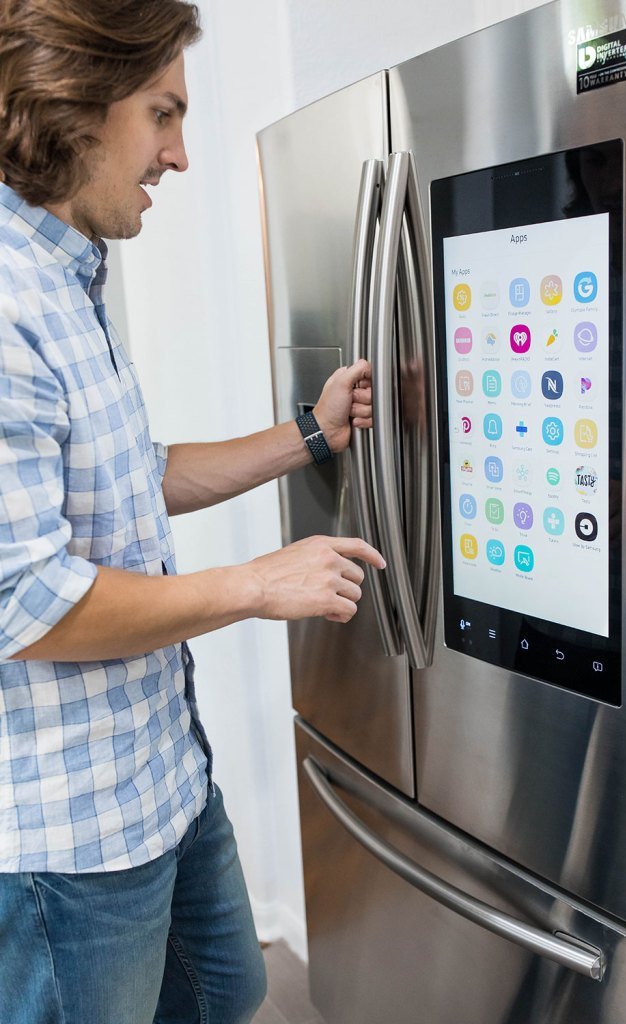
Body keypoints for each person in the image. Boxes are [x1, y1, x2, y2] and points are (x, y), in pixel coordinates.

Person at [0, 2, 384, 1022]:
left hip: (162, 774)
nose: (177, 154)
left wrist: (309, 434)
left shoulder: (63, 275)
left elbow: (134, 473)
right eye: (162, 114)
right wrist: (256, 584)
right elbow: (24, 601)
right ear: (74, 101)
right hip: (68, 844)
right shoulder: (5, 299)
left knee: (226, 993)